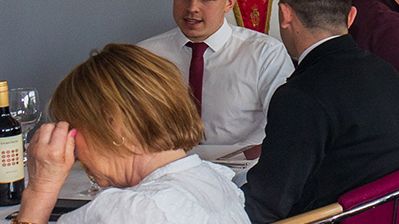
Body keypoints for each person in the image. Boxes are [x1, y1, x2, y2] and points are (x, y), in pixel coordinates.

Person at [247, 0, 399, 223]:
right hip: (387, 213)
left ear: (285, 14)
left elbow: (266, 204)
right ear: (351, 16)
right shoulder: (385, 70)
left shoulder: (300, 95)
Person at [18, 44, 248, 223]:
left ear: (113, 124)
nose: (74, 151)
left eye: (74, 130)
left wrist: (40, 191)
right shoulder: (217, 181)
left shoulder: (129, 211)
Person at [137, 0, 293, 147]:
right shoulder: (145, 56)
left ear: (229, 3)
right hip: (166, 171)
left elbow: (287, 126)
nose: (192, 8)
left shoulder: (265, 54)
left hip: (240, 174)